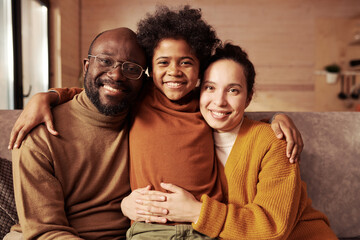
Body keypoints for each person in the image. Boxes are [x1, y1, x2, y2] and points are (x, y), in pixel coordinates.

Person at [8, 5, 304, 239]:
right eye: (163, 63)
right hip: (147, 229)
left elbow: (232, 117)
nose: (174, 71)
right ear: (150, 70)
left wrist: (276, 119)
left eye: (186, 62)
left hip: (203, 228)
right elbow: (101, 92)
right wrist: (46, 96)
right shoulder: (142, 97)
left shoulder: (201, 102)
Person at [126, 43, 338, 239]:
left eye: (233, 90)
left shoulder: (275, 141)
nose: (219, 101)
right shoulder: (195, 131)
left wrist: (195, 211)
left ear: (248, 97)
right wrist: (126, 205)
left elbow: (273, 227)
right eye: (210, 87)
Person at [6, 27, 147, 240]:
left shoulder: (148, 118)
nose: (117, 75)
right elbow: (45, 231)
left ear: (143, 80)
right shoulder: (38, 133)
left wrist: (51, 95)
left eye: (131, 68)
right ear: (86, 66)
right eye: (105, 61)